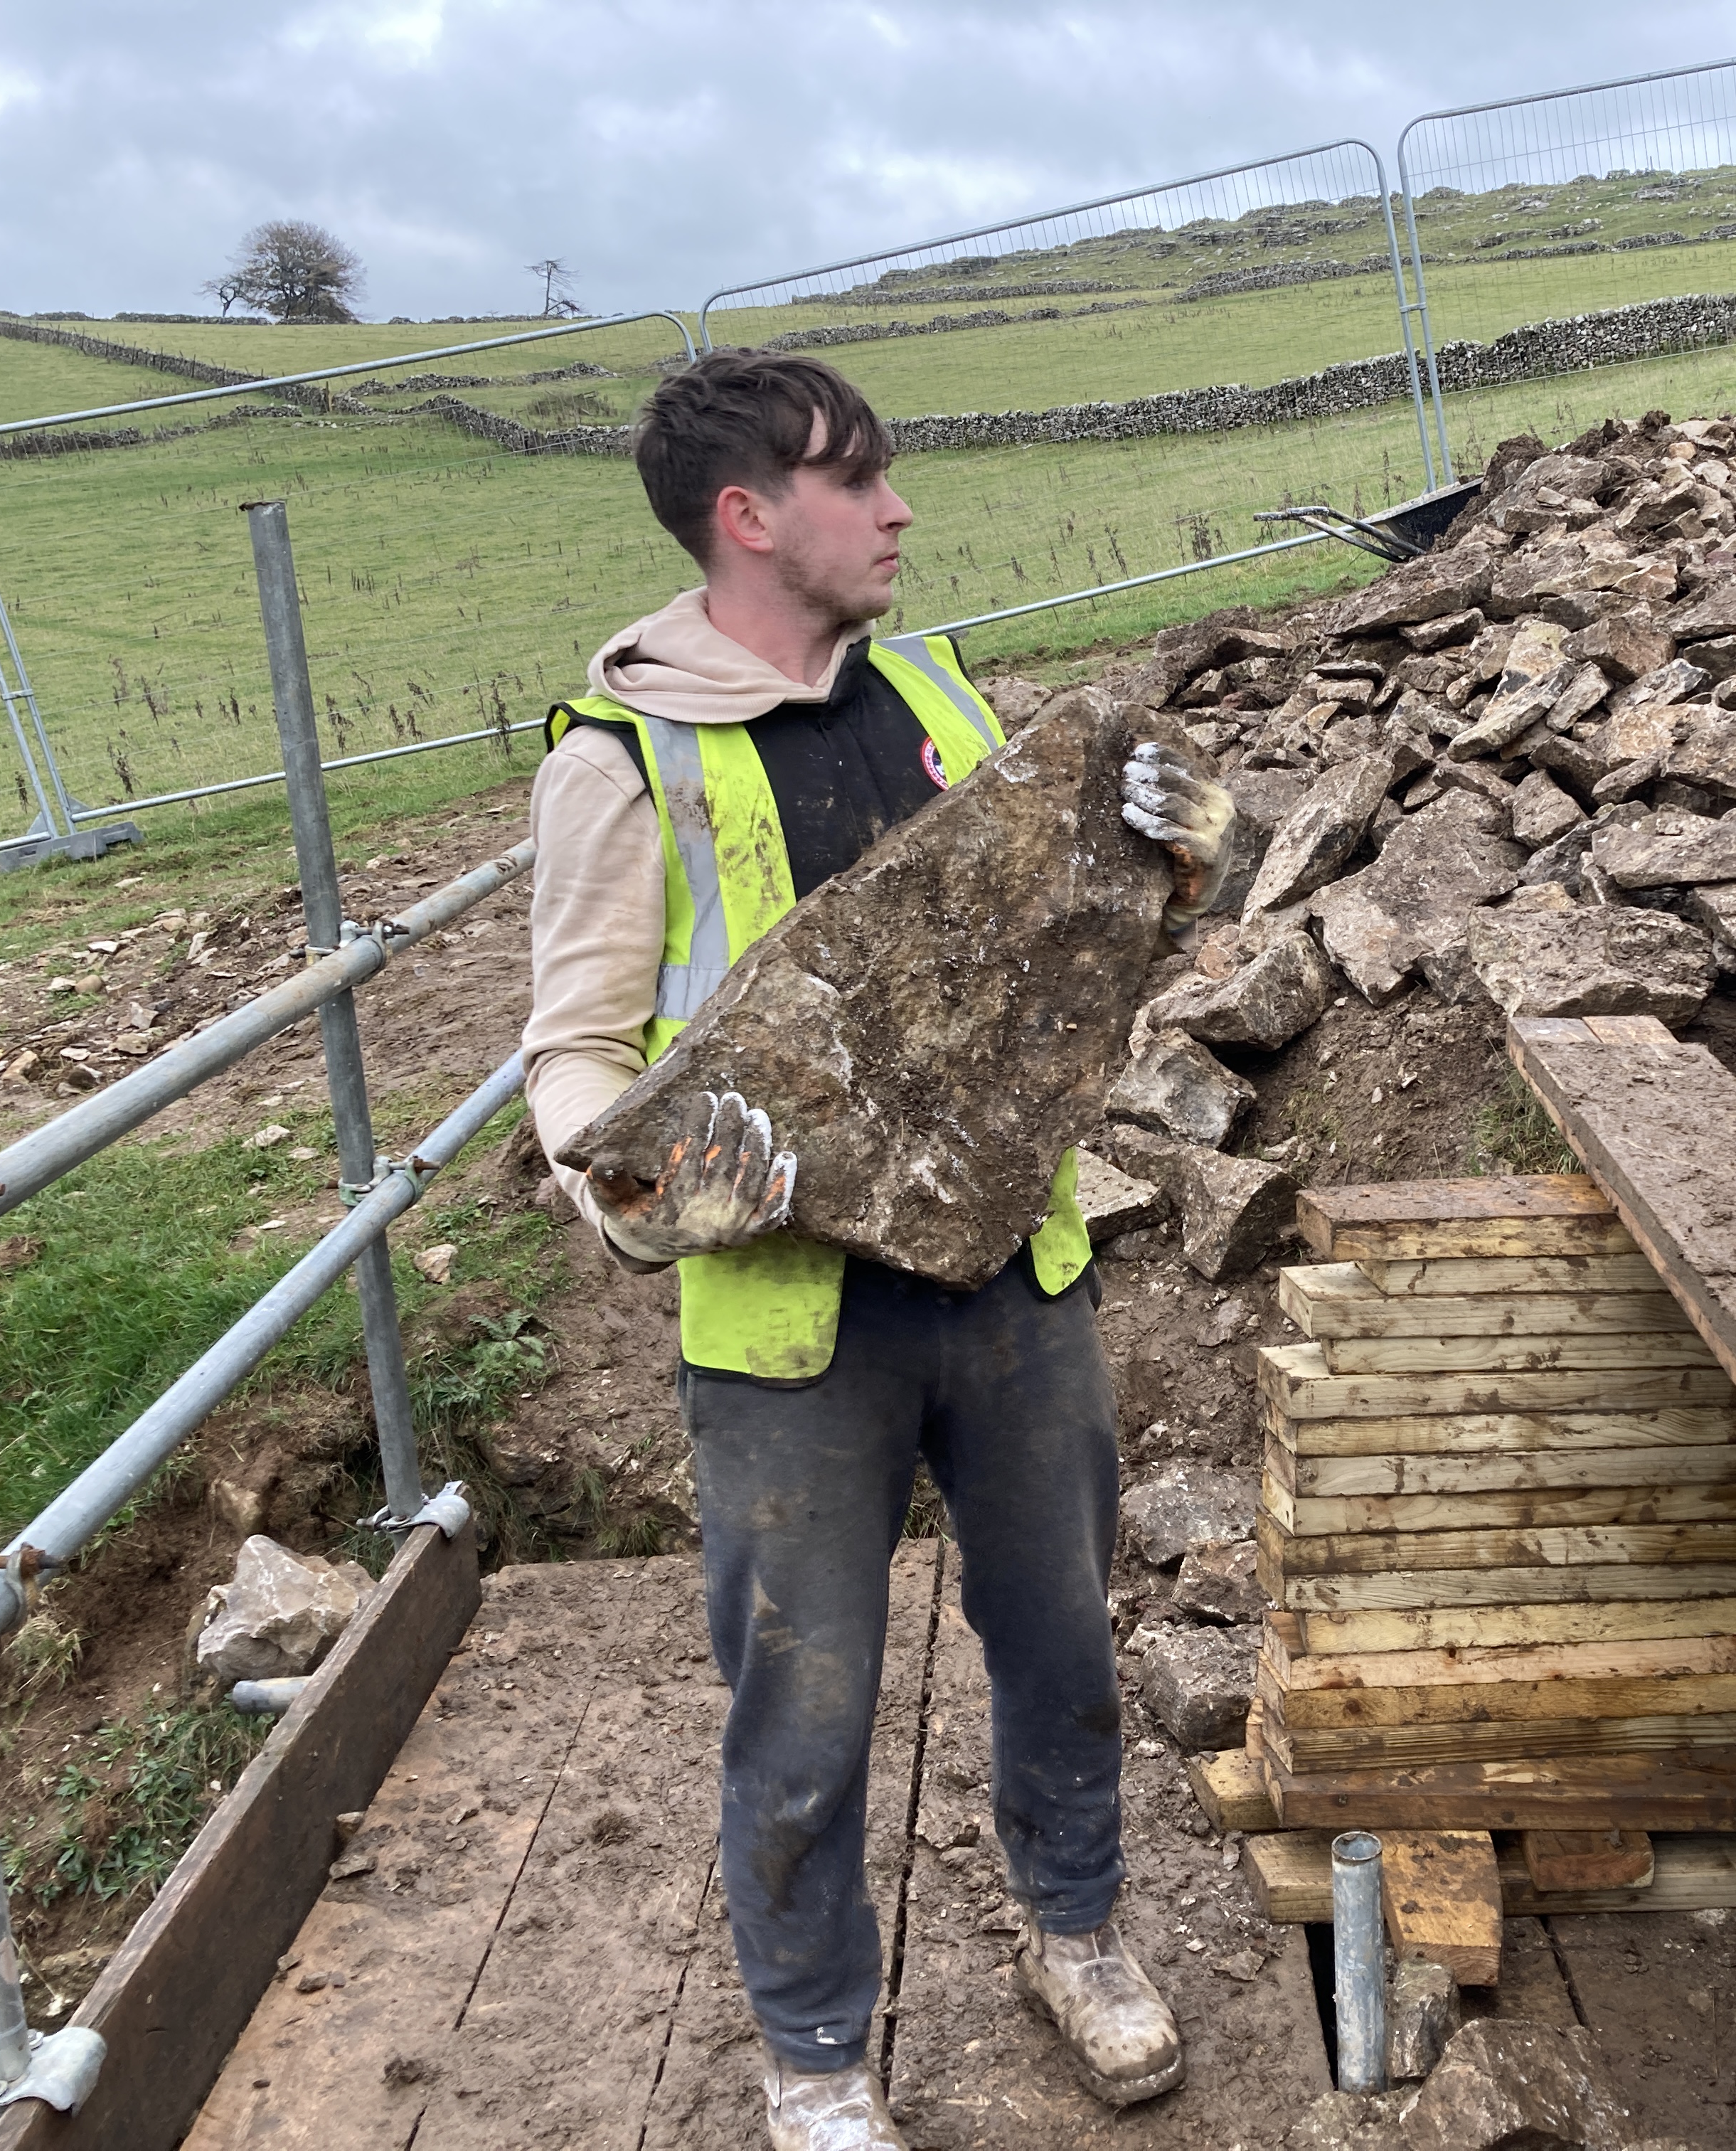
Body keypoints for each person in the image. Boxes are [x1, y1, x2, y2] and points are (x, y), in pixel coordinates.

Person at [519, 350, 1237, 2151]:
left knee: (1064, 1641)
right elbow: (576, 1051)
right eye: (859, 480)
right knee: (806, 1695)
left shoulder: (936, 689)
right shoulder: (626, 764)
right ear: (750, 518)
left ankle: (1076, 1934)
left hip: (1010, 1275)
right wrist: (639, 1178)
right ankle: (818, 2054)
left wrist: (1180, 870)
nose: (901, 507)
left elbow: (1050, 954)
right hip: (786, 1328)